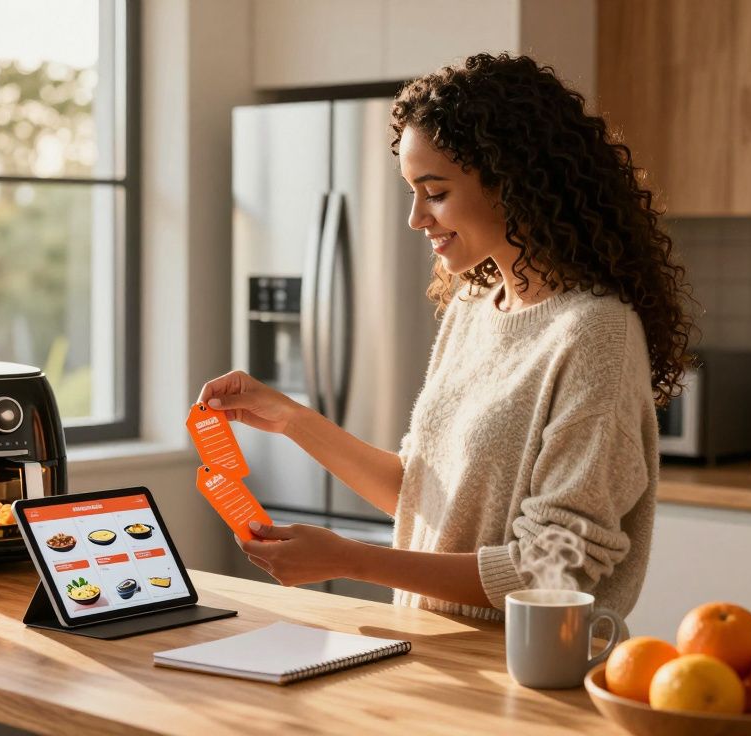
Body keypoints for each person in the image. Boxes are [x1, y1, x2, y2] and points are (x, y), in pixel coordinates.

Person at [199, 53, 695, 621]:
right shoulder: (473, 307)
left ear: (515, 181)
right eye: (413, 191)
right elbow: (423, 495)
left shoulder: (595, 333)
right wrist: (290, 418)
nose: (416, 218)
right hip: (434, 656)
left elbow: (555, 567)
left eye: (434, 192)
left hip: (529, 675)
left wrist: (353, 560)